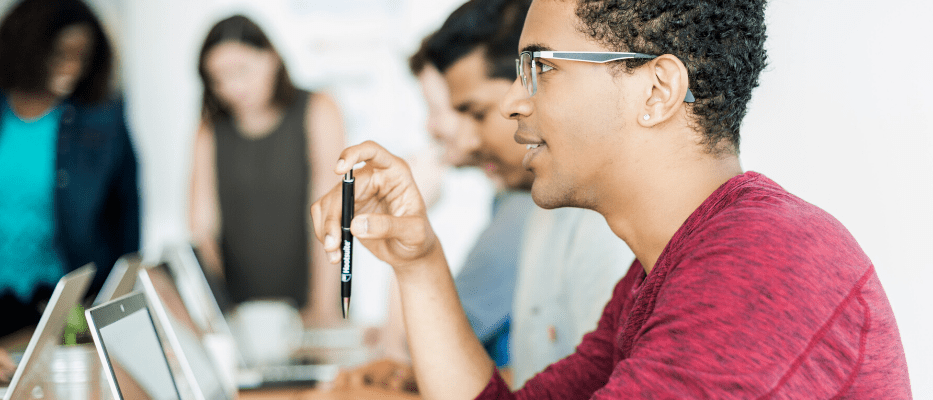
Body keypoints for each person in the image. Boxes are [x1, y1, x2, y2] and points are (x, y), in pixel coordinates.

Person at [312, 0, 912, 398]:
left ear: (657, 90)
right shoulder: (658, 275)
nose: (515, 104)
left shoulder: (763, 262)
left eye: (540, 67)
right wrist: (416, 261)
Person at [337, 0, 632, 391]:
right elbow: (552, 384)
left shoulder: (595, 221)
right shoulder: (534, 204)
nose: (456, 135)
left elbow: (408, 347)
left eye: (474, 112)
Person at [189, 15, 345, 323]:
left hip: (311, 305)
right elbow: (202, 229)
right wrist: (219, 313)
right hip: (241, 314)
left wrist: (321, 308)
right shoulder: (210, 130)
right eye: (218, 78)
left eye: (242, 71)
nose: (232, 87)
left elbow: (331, 217)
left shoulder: (318, 109)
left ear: (272, 58)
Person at [0, 0, 140, 339]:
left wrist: (111, 307)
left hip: (63, 307)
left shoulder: (102, 122)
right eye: (62, 53)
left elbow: (126, 223)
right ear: (28, 47)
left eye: (83, 56)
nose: (73, 67)